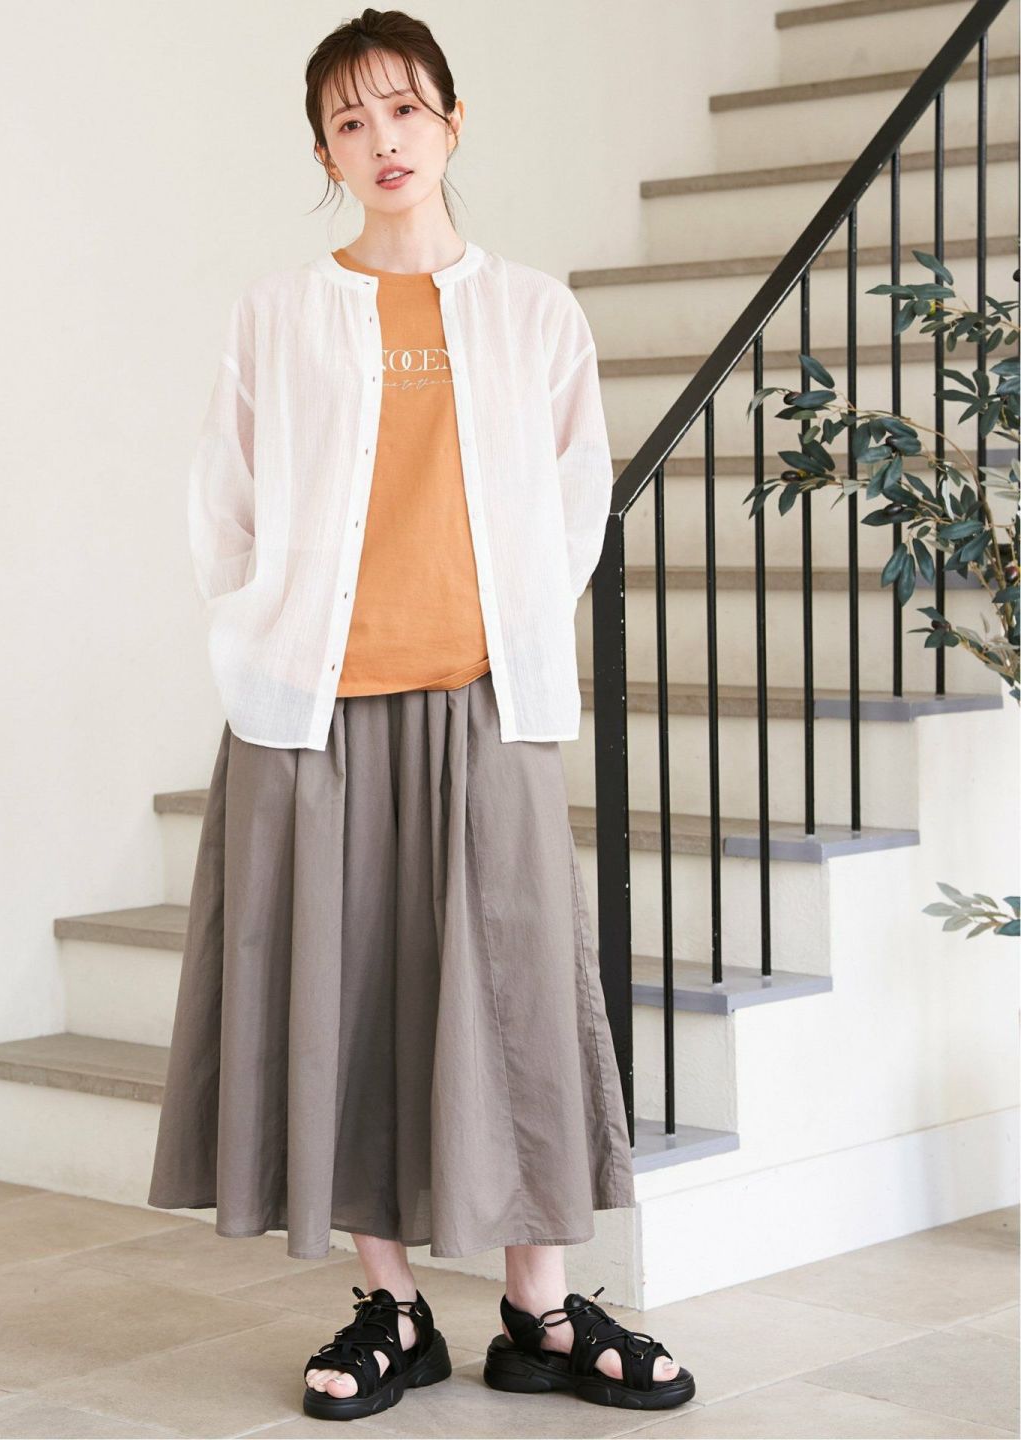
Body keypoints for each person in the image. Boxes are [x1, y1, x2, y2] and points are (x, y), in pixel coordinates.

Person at [146, 5, 695, 1422]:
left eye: (403, 108)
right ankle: (390, 1305)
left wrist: (499, 633)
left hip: (484, 704)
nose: (381, 139)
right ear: (324, 153)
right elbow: (225, 503)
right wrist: (265, 637)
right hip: (313, 717)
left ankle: (541, 1309)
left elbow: (574, 496)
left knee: (520, 994)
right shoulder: (278, 312)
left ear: (453, 120)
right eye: (349, 120)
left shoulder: (534, 311)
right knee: (344, 998)